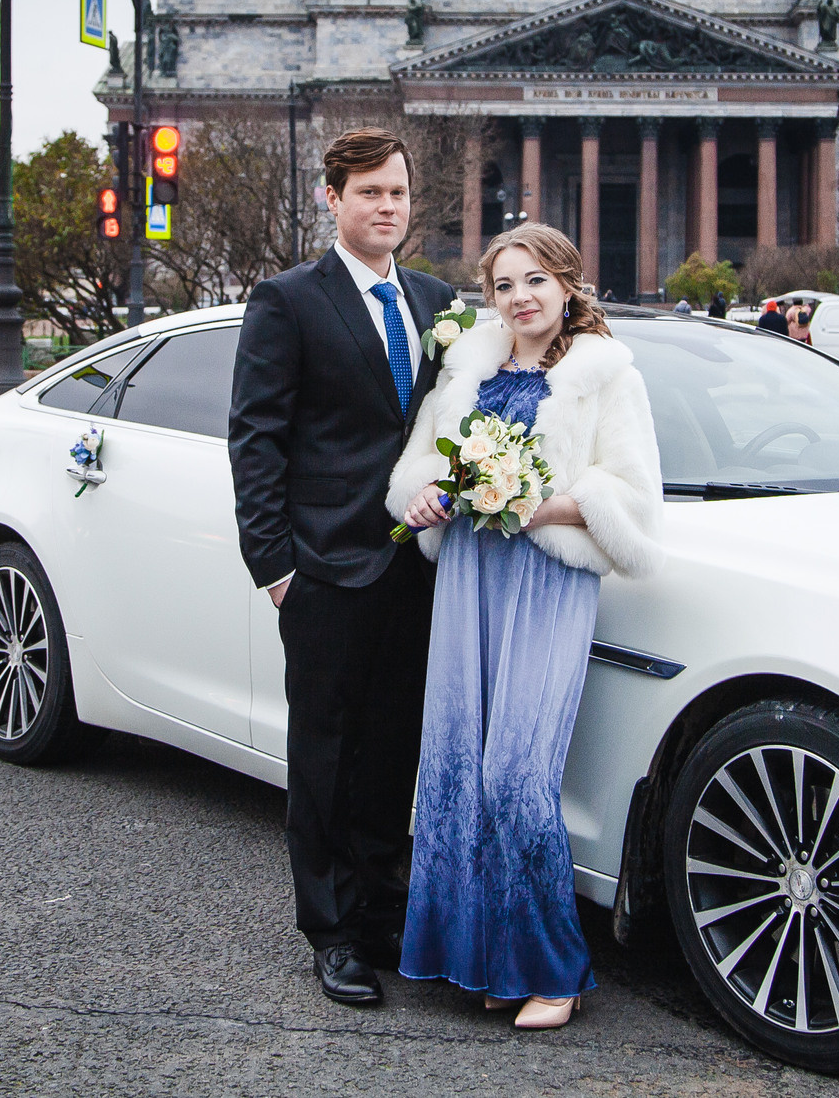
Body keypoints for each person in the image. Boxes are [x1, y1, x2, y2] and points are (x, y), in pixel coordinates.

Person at [389, 223, 663, 1029]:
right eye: (504, 285)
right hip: (471, 575)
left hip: (545, 580)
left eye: (537, 280)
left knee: (515, 772)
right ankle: (477, 958)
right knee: (458, 766)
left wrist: (529, 502)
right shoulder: (468, 366)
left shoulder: (606, 375)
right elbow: (424, 467)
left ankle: (555, 969)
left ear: (569, 286)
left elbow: (634, 499)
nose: (521, 298)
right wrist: (430, 497)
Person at [229, 128, 457, 1010]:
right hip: (324, 571)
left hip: (415, 569)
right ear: (333, 198)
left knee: (391, 754)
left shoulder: (437, 300)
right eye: (369, 193)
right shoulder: (288, 300)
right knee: (324, 756)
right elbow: (255, 440)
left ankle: (381, 911)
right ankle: (330, 933)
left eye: (398, 192)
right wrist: (277, 567)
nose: (387, 207)